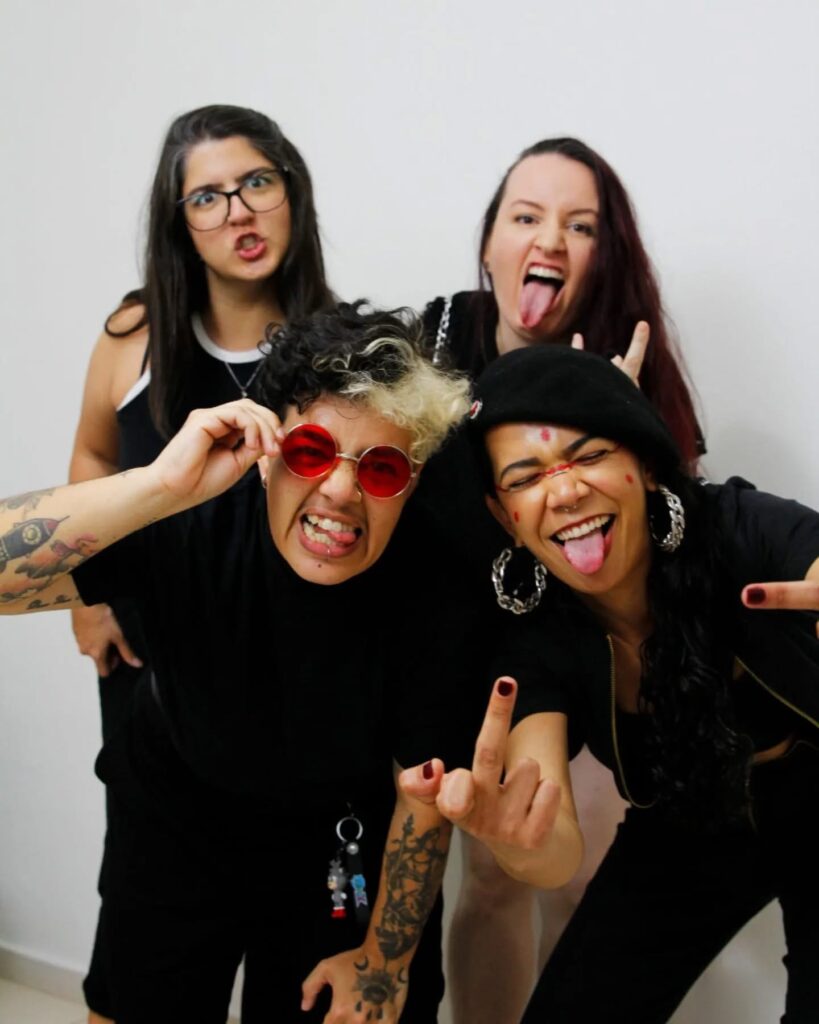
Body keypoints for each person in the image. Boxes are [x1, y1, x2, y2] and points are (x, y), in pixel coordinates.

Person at [0, 304, 473, 1022]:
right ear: (268, 453)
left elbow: (422, 791)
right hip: (177, 809)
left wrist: (383, 960)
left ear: (410, 484)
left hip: (334, 838)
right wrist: (156, 487)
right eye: (312, 452)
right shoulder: (192, 518)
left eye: (380, 469)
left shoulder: (434, 576)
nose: (339, 491)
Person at [406, 343, 818, 1022]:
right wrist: (516, 842)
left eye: (591, 455)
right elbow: (555, 844)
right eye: (525, 477)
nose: (566, 491)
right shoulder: (534, 641)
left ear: (646, 465)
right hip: (693, 815)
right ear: (504, 515)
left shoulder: (739, 526)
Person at [418, 137, 703, 1022]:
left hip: (582, 652)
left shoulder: (630, 363)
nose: (549, 239)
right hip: (464, 657)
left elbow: (680, 537)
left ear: (602, 256)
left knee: (577, 882)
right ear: (490, 242)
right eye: (526, 216)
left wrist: (616, 423)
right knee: (489, 883)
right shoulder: (431, 341)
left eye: (579, 226)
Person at [66, 104, 334, 1021]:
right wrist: (89, 602)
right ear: (178, 221)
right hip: (159, 690)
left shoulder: (340, 346)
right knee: (142, 958)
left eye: (257, 183)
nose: (238, 212)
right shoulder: (135, 334)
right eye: (208, 197)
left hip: (297, 716)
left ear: (292, 192)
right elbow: (94, 454)